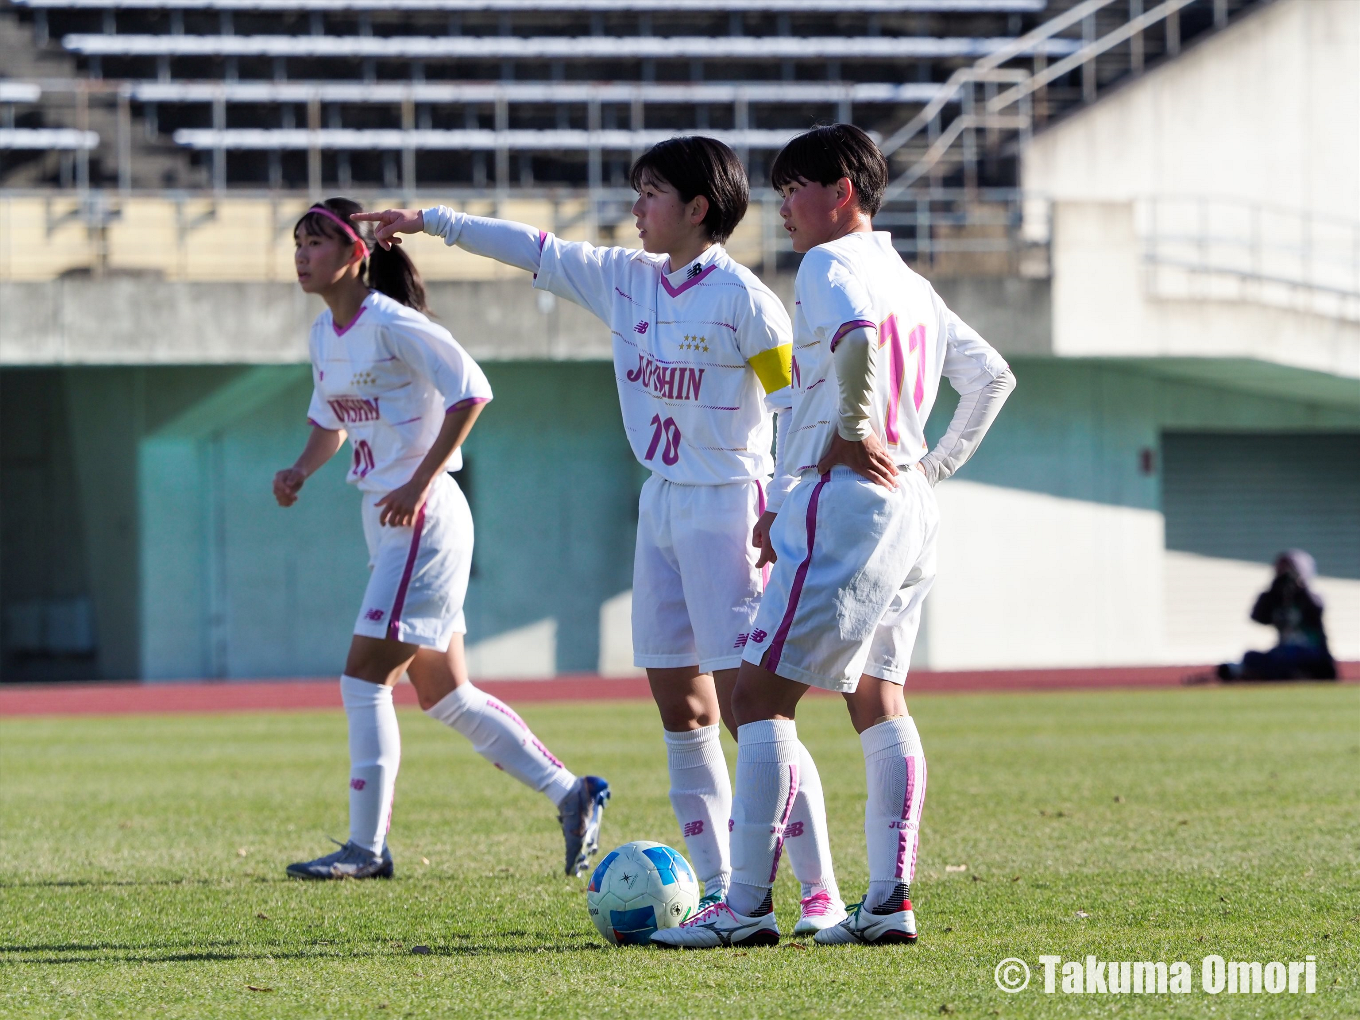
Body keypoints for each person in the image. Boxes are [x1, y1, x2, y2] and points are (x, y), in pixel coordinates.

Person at [356, 137, 847, 934]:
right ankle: (724, 895)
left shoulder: (747, 301)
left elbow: (794, 407)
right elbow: (534, 249)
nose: (635, 207)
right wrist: (429, 221)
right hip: (659, 505)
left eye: (650, 192)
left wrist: (783, 503)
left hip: (729, 504)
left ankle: (819, 891)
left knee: (750, 713)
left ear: (697, 208)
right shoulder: (627, 279)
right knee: (680, 709)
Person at [653, 125, 1016, 949]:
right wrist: (936, 464)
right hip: (910, 505)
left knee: (754, 700)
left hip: (847, 496)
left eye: (793, 190)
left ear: (840, 192)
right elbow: (992, 376)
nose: (784, 210)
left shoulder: (831, 264)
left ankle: (745, 909)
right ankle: (887, 901)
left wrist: (850, 435)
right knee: (878, 699)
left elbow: (854, 341)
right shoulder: (912, 282)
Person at [277, 198, 609, 881]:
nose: (302, 255)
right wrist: (301, 469)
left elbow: (473, 392)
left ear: (356, 254)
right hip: (387, 516)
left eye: (315, 242)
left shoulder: (394, 324)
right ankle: (571, 793)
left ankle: (366, 849)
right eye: (297, 243)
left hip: (421, 518)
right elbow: (329, 422)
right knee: (446, 694)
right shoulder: (323, 333)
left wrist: (420, 481)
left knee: (363, 680)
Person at [1217, 550, 1337, 681]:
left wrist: (1301, 586)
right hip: (1283, 653)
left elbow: (1316, 609)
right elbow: (1257, 617)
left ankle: (1293, 674)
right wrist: (1274, 587)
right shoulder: (1276, 599)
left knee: (1289, 655)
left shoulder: (1313, 598)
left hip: (1310, 653)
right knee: (1252, 656)